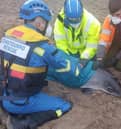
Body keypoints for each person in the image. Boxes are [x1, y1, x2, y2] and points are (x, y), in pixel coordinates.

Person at [0, 0, 83, 128]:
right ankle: (22, 123)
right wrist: (80, 65)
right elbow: (70, 69)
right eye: (46, 22)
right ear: (39, 22)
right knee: (64, 106)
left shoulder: (7, 36)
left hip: (5, 93)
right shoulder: (43, 47)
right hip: (22, 100)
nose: (47, 26)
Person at [53, 0, 101, 65]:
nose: (74, 23)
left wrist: (83, 59)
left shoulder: (93, 24)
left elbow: (91, 46)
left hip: (85, 52)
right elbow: (61, 43)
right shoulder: (60, 21)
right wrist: (67, 58)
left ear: (82, 13)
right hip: (69, 52)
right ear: (65, 14)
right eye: (71, 20)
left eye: (77, 19)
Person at [94, 0, 121, 75]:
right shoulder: (109, 19)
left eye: (118, 14)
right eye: (112, 14)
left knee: (120, 66)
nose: (114, 18)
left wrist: (118, 57)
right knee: (105, 63)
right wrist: (99, 57)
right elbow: (103, 39)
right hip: (116, 44)